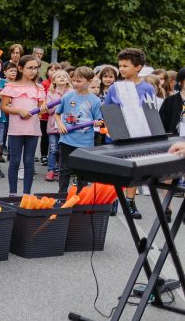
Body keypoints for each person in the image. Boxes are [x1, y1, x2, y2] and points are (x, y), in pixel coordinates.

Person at [103, 48, 157, 218]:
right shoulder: (115, 88)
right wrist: (110, 129)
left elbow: (151, 112)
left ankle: (131, 202)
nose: (122, 69)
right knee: (116, 169)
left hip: (138, 135)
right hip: (117, 134)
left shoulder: (147, 88)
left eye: (126, 66)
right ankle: (113, 200)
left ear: (138, 67)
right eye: (120, 66)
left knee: (133, 169)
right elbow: (107, 109)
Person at [1, 55, 47, 196]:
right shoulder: (10, 87)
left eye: (35, 68)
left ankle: (27, 194)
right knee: (14, 161)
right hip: (16, 130)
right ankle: (13, 193)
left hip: (33, 130)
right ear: (20, 68)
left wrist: (44, 108)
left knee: (29, 162)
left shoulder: (39, 88)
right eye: (29, 68)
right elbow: (4, 107)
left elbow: (42, 107)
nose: (33, 71)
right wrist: (19, 111)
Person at [55, 66, 104, 194]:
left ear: (89, 81)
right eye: (74, 80)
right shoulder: (67, 96)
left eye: (79, 81)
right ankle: (61, 196)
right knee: (64, 170)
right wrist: (60, 124)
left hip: (85, 142)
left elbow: (98, 120)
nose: (75, 83)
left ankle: (80, 198)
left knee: (82, 173)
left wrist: (98, 122)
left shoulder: (95, 100)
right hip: (66, 140)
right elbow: (57, 113)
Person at [44, 70, 72, 182]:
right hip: (52, 126)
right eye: (59, 77)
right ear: (54, 81)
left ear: (68, 80)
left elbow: (72, 108)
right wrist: (60, 105)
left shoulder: (71, 92)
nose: (61, 78)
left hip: (66, 126)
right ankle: (51, 170)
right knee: (53, 149)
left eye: (64, 76)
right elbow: (49, 110)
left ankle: (61, 171)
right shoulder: (50, 93)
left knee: (63, 150)